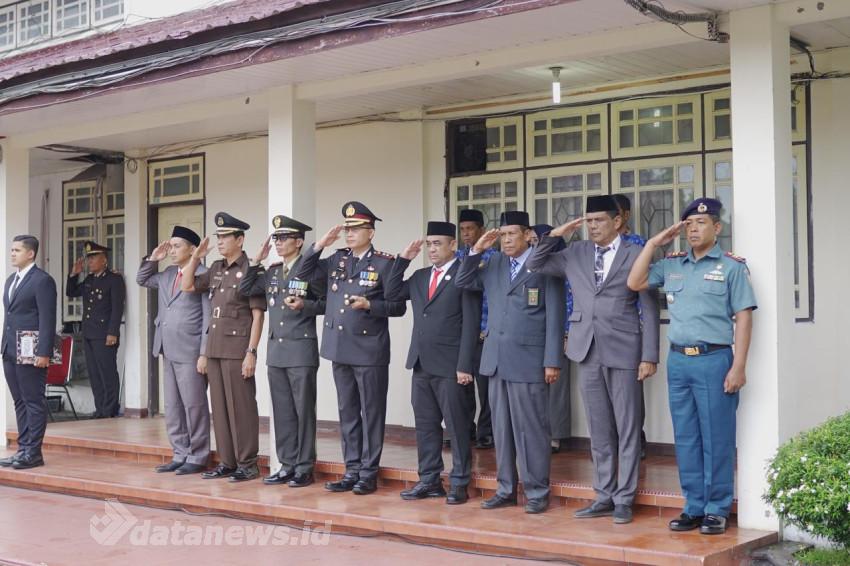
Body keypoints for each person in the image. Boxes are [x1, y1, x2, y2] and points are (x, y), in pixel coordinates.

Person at [527, 195, 660, 525]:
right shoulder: (575, 253)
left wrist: (649, 354)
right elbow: (536, 264)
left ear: (617, 222)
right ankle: (604, 494)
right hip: (586, 348)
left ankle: (625, 498)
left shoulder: (635, 253)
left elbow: (649, 307)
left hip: (625, 348)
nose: (592, 226)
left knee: (627, 427)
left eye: (599, 220)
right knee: (599, 427)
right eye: (588, 221)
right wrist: (556, 234)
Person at [627, 197, 756, 536]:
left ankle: (717, 508)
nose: (694, 229)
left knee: (717, 437)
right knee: (686, 437)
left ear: (717, 227)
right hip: (679, 361)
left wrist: (738, 365)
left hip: (715, 360)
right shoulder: (672, 264)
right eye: (688, 225)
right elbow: (635, 282)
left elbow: (743, 317)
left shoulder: (731, 267)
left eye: (701, 223)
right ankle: (694, 506)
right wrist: (654, 243)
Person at [455, 210, 564, 514]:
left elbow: (556, 314)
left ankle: (537, 490)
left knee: (532, 429)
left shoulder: (543, 263)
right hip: (496, 359)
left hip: (530, 359)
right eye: (502, 235)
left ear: (529, 235)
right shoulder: (493, 263)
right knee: (501, 430)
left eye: (512, 234)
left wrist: (552, 360)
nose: (506, 240)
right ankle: (505, 488)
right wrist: (477, 250)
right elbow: (463, 281)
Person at [295, 201, 406, 495]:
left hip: (369, 350)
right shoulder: (337, 259)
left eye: (356, 229)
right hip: (339, 347)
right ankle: (352, 469)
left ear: (370, 232)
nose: (349, 234)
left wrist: (371, 304)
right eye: (347, 229)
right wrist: (320, 244)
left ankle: (368, 472)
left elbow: (397, 306)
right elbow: (303, 272)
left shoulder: (385, 263)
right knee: (347, 411)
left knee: (371, 412)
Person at [385, 221, 481, 505]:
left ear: (453, 245)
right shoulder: (420, 275)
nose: (432, 249)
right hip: (421, 363)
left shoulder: (465, 274)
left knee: (457, 425)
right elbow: (391, 293)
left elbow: (471, 324)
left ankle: (460, 481)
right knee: (426, 425)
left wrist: (465, 365)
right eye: (429, 244)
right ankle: (429, 479)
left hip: (452, 366)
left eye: (438, 243)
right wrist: (403, 260)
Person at [240, 215, 325, 488]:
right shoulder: (273, 271)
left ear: (299, 242)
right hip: (276, 351)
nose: (278, 243)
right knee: (283, 411)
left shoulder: (310, 269)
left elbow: (326, 303)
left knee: (303, 411)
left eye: (284, 238)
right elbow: (245, 289)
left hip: (301, 349)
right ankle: (287, 464)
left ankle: (304, 466)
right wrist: (255, 261)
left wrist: (306, 306)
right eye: (276, 238)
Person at [181, 212, 266, 482]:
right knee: (219, 408)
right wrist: (196, 257)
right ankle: (228, 462)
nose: (219, 241)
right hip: (216, 348)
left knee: (241, 407)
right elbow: (188, 285)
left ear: (239, 239)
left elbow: (258, 315)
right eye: (218, 236)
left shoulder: (252, 269)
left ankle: (247, 463)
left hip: (237, 348)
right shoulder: (216, 268)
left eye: (225, 236)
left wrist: (251, 352)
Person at [136, 226, 211, 475]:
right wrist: (152, 259)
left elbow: (208, 317)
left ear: (192, 249)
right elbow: (143, 280)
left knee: (194, 405)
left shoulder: (203, 274)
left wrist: (204, 352)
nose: (172, 249)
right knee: (173, 406)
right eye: (172, 245)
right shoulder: (168, 273)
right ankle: (179, 452)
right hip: (167, 347)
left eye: (178, 246)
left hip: (190, 350)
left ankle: (198, 455)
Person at [0, 236, 56, 470]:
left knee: (33, 401)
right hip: (10, 349)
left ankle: (34, 452)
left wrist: (44, 352)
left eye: (17, 250)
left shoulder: (42, 280)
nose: (12, 253)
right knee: (19, 401)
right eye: (11, 250)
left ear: (30, 253)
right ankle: (23, 449)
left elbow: (47, 318)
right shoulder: (11, 279)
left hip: (31, 351)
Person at [66, 241, 125, 418]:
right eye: (88, 259)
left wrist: (112, 332)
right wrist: (73, 274)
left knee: (107, 372)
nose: (89, 262)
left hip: (105, 334)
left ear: (103, 260)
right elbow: (71, 292)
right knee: (94, 373)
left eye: (93, 258)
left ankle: (110, 409)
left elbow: (117, 308)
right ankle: (100, 409)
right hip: (89, 333)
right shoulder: (90, 280)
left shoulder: (114, 279)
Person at [612, 194, 650, 459]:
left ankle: (637, 440)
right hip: (603, 329)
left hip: (630, 326)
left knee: (630, 393)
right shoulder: (595, 249)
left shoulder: (637, 244)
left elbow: (643, 289)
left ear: (625, 216)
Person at [455, 209, 493, 449]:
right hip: (460, 333)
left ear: (481, 229)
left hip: (485, 332)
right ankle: (465, 429)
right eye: (462, 229)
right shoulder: (457, 257)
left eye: (470, 228)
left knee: (486, 388)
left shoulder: (493, 257)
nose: (466, 233)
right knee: (462, 385)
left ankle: (486, 433)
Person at [532, 224, 571, 454]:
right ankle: (539, 432)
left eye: (540, 240)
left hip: (562, 333)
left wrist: (567, 333)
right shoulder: (535, 266)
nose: (535, 245)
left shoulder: (565, 264)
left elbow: (572, 301)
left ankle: (556, 435)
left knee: (557, 387)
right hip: (537, 333)